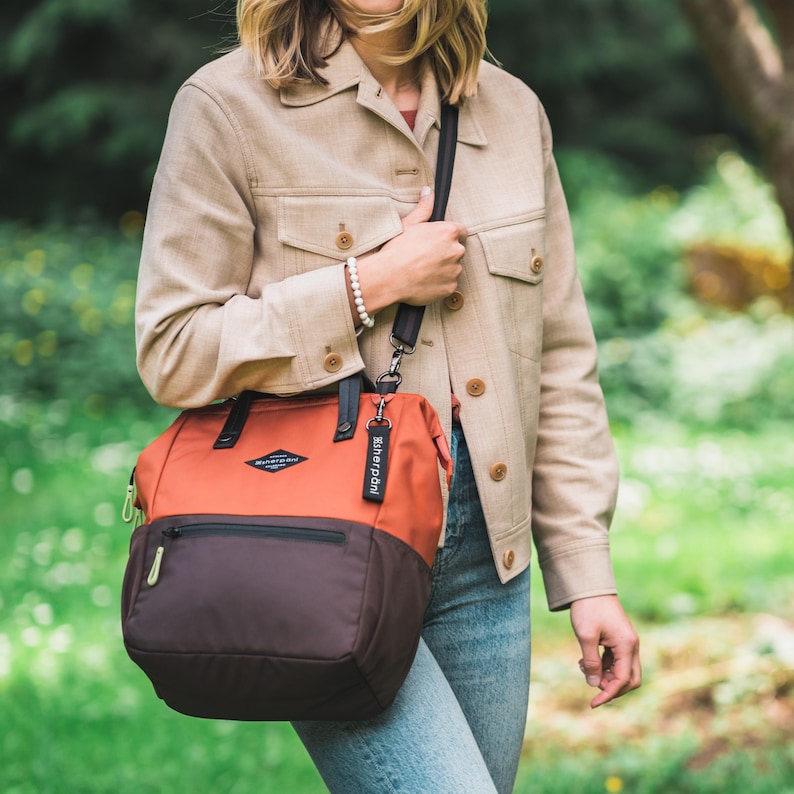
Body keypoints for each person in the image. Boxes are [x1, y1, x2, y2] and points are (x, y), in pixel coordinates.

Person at [134, 0, 642, 790]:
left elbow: (560, 359)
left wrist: (585, 569)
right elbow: (174, 348)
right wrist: (365, 286)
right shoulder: (225, 105)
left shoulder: (512, 113)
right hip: (319, 548)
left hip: (485, 562)